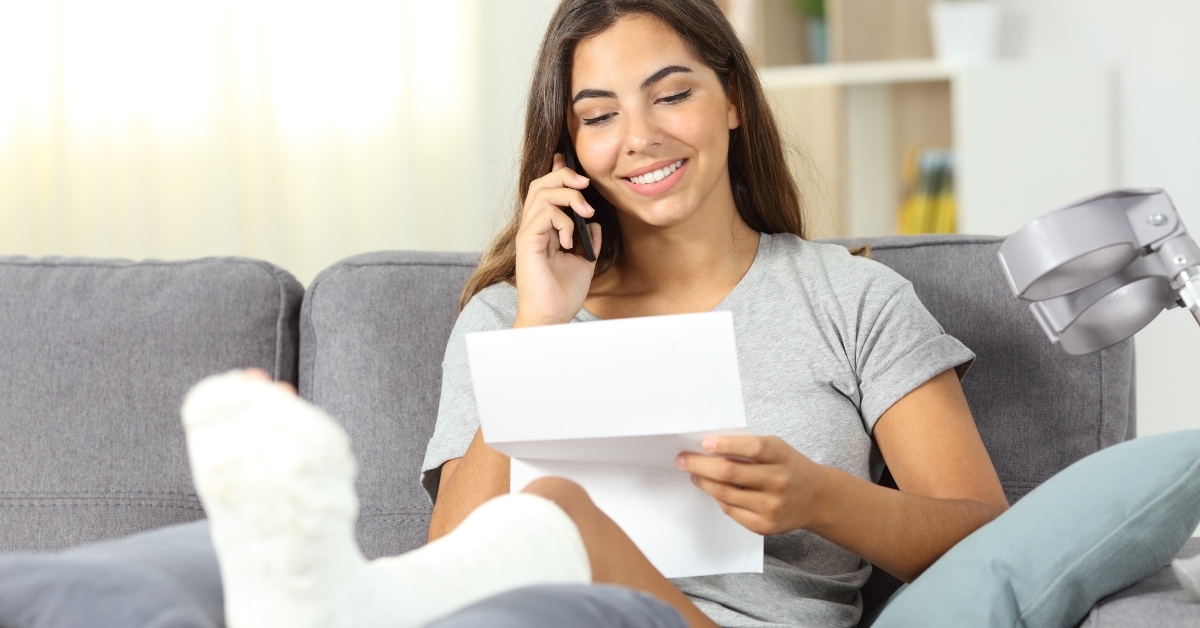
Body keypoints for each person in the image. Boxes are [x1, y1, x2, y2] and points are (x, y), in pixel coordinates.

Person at [420, 0, 1010, 627]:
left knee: (560, 513)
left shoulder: (852, 299)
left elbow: (991, 543)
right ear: (570, 148)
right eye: (598, 115)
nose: (640, 138)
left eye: (671, 96)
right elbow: (451, 577)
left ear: (735, 100)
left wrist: (819, 498)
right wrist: (538, 330)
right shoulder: (505, 319)